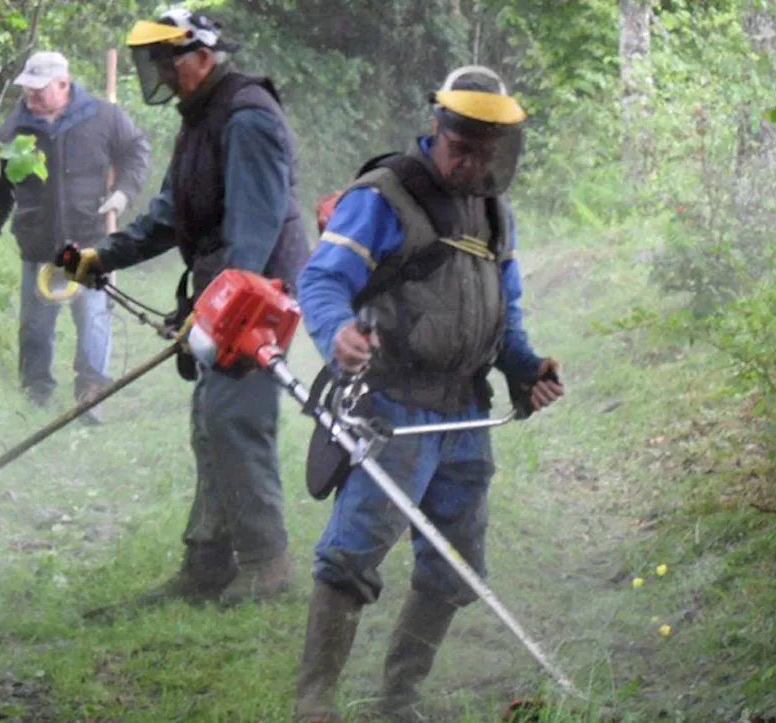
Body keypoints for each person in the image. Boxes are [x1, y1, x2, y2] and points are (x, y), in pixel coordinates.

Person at [291, 66, 567, 722]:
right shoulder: (384, 196)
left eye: (485, 153)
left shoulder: (497, 214)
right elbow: (322, 280)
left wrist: (526, 369)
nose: (471, 164)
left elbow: (506, 314)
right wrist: (337, 336)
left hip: (466, 413)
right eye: (459, 147)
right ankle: (315, 702)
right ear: (435, 128)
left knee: (456, 565)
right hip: (394, 406)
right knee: (353, 553)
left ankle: (398, 700)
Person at [65, 8, 310, 606]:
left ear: (203, 55)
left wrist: (217, 310)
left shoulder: (247, 117)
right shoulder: (200, 119)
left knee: (234, 418)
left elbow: (252, 234)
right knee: (212, 421)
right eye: (155, 66)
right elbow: (171, 214)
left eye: (167, 63)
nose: (162, 77)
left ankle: (268, 565)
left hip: (257, 294)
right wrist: (104, 257)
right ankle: (206, 565)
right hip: (225, 289)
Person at [0, 51, 151, 424]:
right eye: (27, 89)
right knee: (36, 323)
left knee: (92, 315)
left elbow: (137, 152)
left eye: (39, 89)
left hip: (88, 240)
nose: (30, 96)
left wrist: (124, 192)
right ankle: (35, 393)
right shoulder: (15, 129)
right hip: (40, 241)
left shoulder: (103, 116)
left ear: (64, 85)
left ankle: (91, 392)